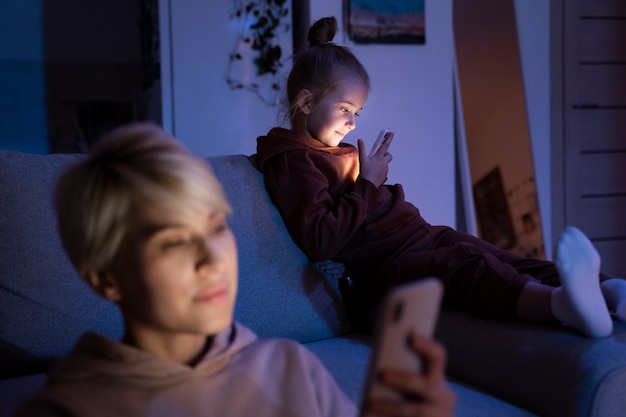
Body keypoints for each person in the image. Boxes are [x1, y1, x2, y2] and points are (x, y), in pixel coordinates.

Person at [15, 123, 456, 417]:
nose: (213, 262)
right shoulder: (71, 408)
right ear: (105, 277)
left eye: (216, 227)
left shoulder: (289, 366)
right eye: (172, 242)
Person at [255, 16, 626, 339]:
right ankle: (563, 306)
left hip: (416, 235)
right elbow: (321, 238)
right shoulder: (294, 162)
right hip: (385, 263)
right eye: (345, 109)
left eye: (358, 111)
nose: (352, 122)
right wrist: (368, 182)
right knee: (468, 266)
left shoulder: (329, 150)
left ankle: (610, 290)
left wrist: (370, 180)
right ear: (305, 103)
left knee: (495, 255)